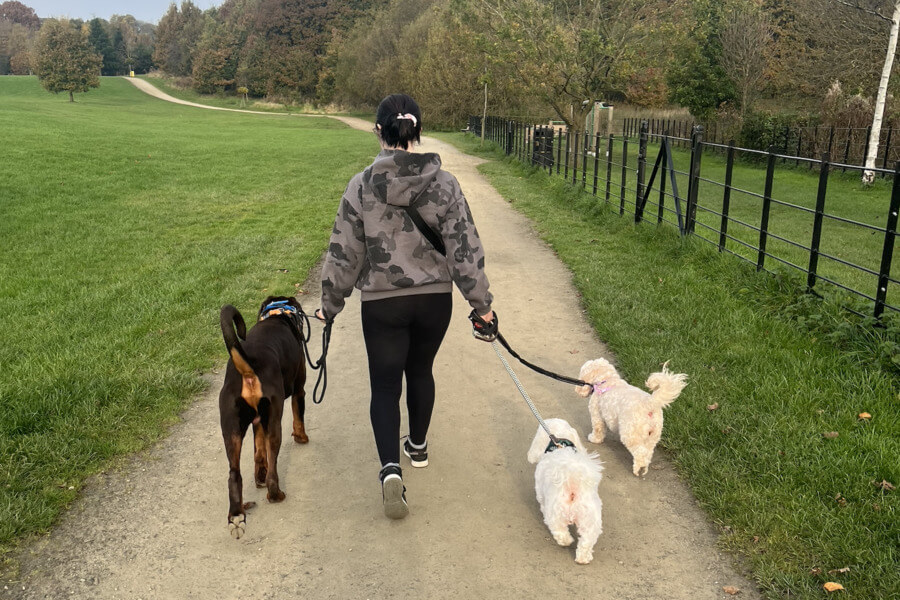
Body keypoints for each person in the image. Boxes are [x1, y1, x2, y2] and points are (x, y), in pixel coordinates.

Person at [315, 93, 494, 519]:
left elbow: (345, 250)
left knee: (384, 385)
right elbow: (464, 249)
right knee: (421, 371)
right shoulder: (446, 184)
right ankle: (417, 447)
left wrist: (329, 304)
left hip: (382, 303)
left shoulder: (360, 185)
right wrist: (482, 306)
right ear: (417, 131)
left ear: (379, 131)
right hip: (434, 301)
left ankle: (390, 470)